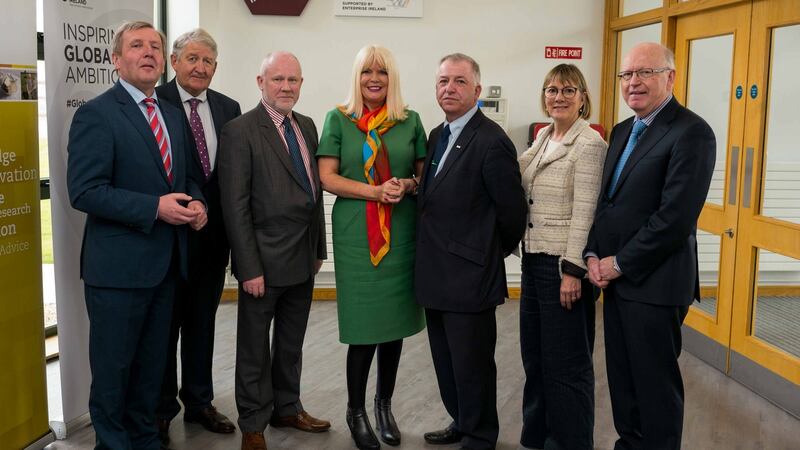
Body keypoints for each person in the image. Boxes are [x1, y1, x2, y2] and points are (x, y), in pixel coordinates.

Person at [66, 20, 206, 449]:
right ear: (115, 59)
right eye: (137, 46)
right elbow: (85, 191)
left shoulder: (169, 114)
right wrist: (154, 208)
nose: (149, 53)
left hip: (165, 266)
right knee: (114, 371)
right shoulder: (97, 114)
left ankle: (145, 439)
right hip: (118, 272)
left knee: (151, 370)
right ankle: (112, 443)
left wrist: (196, 202)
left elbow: (183, 176)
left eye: (156, 47)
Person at [584, 42, 715, 450]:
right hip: (618, 282)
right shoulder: (623, 130)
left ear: (670, 77)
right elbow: (604, 204)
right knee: (623, 381)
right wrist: (591, 254)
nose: (633, 82)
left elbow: (674, 218)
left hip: (656, 284)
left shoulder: (692, 132)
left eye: (646, 72)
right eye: (627, 74)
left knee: (654, 387)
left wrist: (618, 264)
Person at [217, 51, 329, 450]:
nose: (286, 87)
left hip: (302, 259)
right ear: (260, 82)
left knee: (290, 343)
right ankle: (253, 424)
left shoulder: (309, 126)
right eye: (278, 79)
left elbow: (312, 194)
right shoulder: (240, 131)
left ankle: (287, 407)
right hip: (261, 263)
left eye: (293, 80)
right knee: (253, 348)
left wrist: (319, 248)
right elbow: (235, 206)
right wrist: (248, 268)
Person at [415, 53, 527, 450]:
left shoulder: (492, 140)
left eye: (460, 82)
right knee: (446, 362)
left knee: (473, 365)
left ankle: (480, 435)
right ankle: (462, 421)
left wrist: (486, 253)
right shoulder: (436, 135)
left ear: (477, 90)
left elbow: (513, 212)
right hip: (435, 272)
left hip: (470, 275)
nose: (450, 88)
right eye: (443, 81)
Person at [317, 44, 426, 450]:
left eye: (381, 71)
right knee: (364, 329)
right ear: (357, 77)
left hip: (399, 231)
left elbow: (422, 177)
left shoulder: (409, 120)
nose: (374, 78)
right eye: (366, 71)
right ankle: (356, 410)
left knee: (393, 325)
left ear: (391, 77)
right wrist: (374, 191)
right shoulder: (338, 119)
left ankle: (384, 406)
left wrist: (406, 185)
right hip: (355, 235)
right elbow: (327, 177)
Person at [154, 28, 242, 445]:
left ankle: (199, 401)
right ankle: (160, 409)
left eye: (207, 61)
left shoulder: (229, 108)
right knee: (165, 325)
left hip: (212, 238)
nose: (200, 67)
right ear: (174, 62)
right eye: (192, 58)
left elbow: (230, 176)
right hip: (168, 236)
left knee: (202, 324)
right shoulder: (156, 103)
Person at [517, 64, 606, 450]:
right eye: (552, 89)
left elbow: (586, 212)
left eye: (569, 90)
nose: (559, 96)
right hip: (532, 260)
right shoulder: (542, 137)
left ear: (583, 98)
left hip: (561, 268)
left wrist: (573, 271)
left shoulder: (590, 145)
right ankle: (538, 435)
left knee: (566, 363)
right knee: (535, 357)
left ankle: (569, 441)